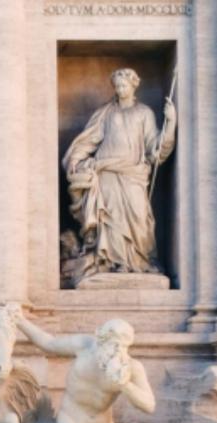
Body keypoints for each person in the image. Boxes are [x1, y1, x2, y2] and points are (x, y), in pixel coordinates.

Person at [63, 68, 176, 277]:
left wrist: (170, 123)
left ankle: (138, 261)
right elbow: (90, 139)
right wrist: (76, 158)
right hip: (107, 171)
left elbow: (155, 148)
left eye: (124, 85)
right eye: (117, 86)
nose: (120, 89)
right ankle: (115, 263)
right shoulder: (106, 113)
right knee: (110, 219)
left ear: (134, 86)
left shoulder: (144, 113)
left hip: (133, 174)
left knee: (139, 216)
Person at [11, 307, 156, 423]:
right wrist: (21, 321)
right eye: (112, 344)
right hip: (72, 422)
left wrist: (125, 385)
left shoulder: (130, 368)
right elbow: (48, 343)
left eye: (122, 347)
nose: (117, 351)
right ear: (101, 339)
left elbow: (149, 405)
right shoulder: (84, 346)